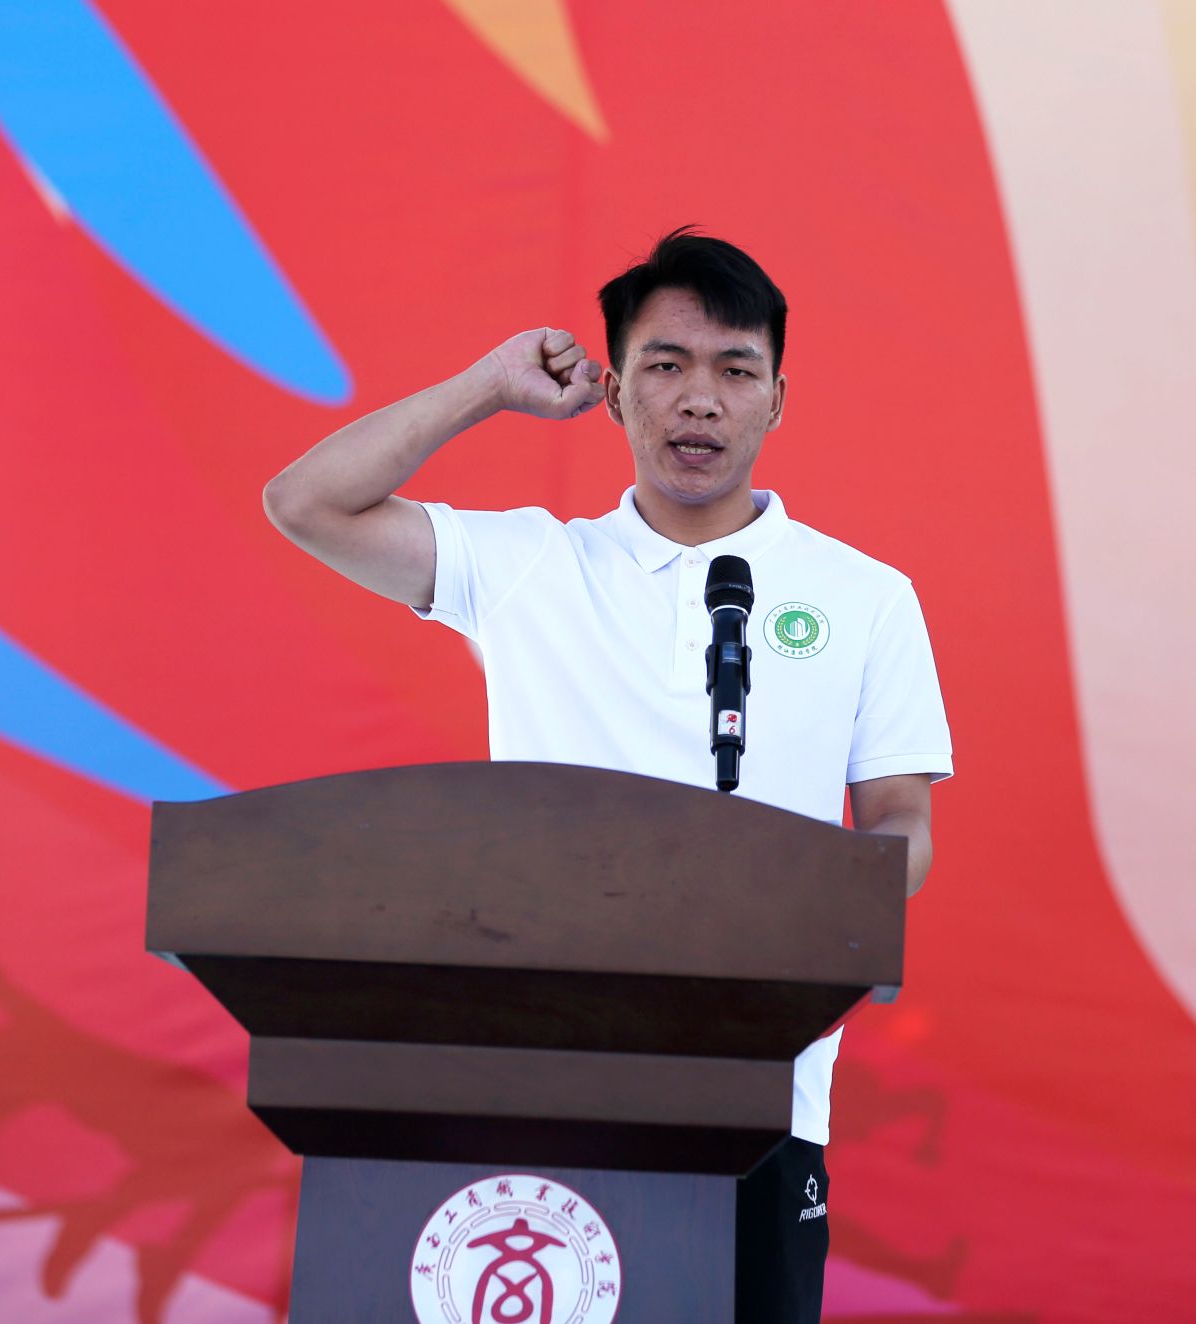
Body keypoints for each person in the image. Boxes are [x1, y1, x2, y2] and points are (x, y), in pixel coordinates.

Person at [263, 227, 953, 1323]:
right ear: (615, 391)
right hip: (544, 1088)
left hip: (763, 1090)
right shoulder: (531, 565)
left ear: (777, 400)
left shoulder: (866, 596)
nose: (699, 400)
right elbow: (306, 503)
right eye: (664, 365)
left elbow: (900, 818)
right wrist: (488, 387)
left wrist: (822, 911)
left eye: (735, 371)